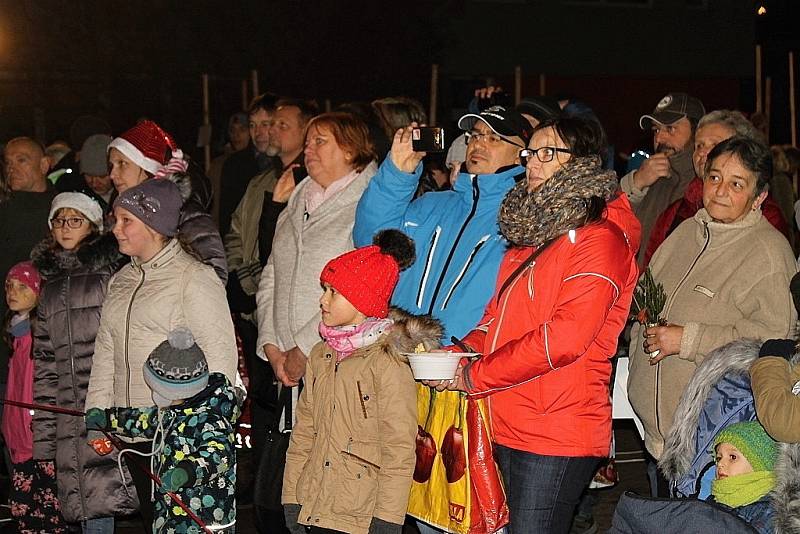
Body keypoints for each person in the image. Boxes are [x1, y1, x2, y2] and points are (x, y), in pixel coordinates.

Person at [441, 120, 640, 533]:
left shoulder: (600, 240)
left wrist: (475, 375)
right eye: (530, 153)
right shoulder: (532, 236)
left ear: (581, 163)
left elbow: (565, 338)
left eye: (549, 153)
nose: (533, 162)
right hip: (509, 417)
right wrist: (455, 355)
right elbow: (496, 320)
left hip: (557, 428)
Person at [354, 106, 532, 534]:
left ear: (524, 153)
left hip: (468, 379)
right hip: (404, 372)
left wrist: (467, 352)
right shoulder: (433, 204)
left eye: (493, 137)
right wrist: (397, 174)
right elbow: (372, 245)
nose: (478, 144)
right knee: (414, 503)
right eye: (474, 135)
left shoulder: (524, 216)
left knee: (461, 509)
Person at [628, 136, 797, 492]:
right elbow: (644, 298)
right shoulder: (685, 232)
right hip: (656, 437)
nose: (721, 191)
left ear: (760, 196)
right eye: (715, 177)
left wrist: (688, 339)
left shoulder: (769, 252)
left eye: (737, 184)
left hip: (716, 442)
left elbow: (773, 341)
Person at [84, 179, 238, 529]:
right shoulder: (121, 280)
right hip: (130, 431)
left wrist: (204, 431)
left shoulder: (194, 279)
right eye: (115, 219)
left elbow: (220, 363)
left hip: (176, 437)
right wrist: (96, 413)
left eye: (127, 221)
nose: (116, 229)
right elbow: (105, 351)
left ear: (154, 225)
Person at [254, 111, 378, 531]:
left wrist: (306, 348)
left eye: (320, 141)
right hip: (286, 362)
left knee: (333, 485)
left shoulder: (367, 200)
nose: (308, 150)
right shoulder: (299, 195)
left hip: (334, 358)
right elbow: (271, 271)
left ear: (351, 148)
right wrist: (270, 342)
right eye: (307, 141)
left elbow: (360, 285)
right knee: (291, 485)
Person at [283, 229, 439, 534]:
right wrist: (292, 497)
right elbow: (304, 433)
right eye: (324, 289)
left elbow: (398, 448)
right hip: (316, 504)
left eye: (333, 292)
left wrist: (388, 520)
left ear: (361, 300)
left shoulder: (388, 361)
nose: (322, 300)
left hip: (360, 514)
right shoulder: (321, 354)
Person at [30, 192, 137, 532]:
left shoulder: (109, 274)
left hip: (104, 405)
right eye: (59, 220)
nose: (65, 227)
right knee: (82, 499)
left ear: (92, 225)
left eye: (75, 219)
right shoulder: (48, 289)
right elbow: (46, 367)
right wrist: (44, 441)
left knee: (102, 493)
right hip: (67, 413)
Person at [85, 328, 240, 533]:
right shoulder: (172, 412)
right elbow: (141, 420)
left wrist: (186, 472)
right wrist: (108, 419)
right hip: (171, 517)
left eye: (159, 389)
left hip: (205, 521)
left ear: (179, 388)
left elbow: (218, 455)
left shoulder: (211, 419)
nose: (155, 395)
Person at [643, 110, 789, 266]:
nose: (703, 153)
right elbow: (651, 272)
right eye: (699, 145)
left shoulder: (766, 216)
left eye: (716, 145)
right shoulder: (676, 211)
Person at [226, 98, 318, 313]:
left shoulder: (313, 183)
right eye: (272, 124)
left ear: (306, 131)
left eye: (281, 125)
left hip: (288, 306)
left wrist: (251, 285)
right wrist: (236, 275)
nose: (271, 132)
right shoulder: (259, 182)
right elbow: (235, 232)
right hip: (255, 311)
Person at [108, 119, 228, 283]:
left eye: (122, 163)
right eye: (112, 165)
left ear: (148, 168)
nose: (112, 175)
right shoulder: (117, 214)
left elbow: (215, 277)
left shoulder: (185, 212)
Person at [3, 261, 66, 533]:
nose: (12, 292)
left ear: (39, 292)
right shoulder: (16, 336)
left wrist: (35, 422)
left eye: (22, 286)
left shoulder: (41, 335)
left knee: (49, 512)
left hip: (39, 439)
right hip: (18, 439)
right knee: (23, 511)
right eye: (9, 286)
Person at [0, 138, 57, 403]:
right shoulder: (5, 208)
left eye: (21, 160)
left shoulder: (63, 211)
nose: (12, 168)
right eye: (8, 162)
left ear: (45, 164)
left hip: (46, 337)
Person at [619, 93, 705, 265]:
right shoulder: (650, 178)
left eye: (670, 128)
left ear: (697, 131)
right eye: (656, 130)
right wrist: (635, 184)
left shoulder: (708, 183)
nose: (659, 138)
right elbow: (612, 227)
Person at [219, 93, 279, 237]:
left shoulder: (288, 164)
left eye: (265, 124)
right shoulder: (234, 166)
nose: (258, 132)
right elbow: (228, 221)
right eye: (252, 125)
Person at [708, 421, 777, 533]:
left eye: (733, 457)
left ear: (758, 465)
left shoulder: (771, 512)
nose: (720, 464)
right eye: (719, 457)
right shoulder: (712, 500)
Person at [79, 134, 115, 208]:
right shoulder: (75, 195)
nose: (94, 183)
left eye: (102, 176)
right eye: (89, 175)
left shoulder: (129, 195)